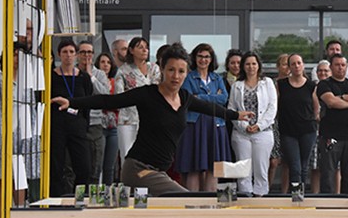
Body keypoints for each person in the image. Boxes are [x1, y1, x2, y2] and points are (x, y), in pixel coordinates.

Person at [52, 43, 252, 195]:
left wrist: (236, 115)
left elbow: (211, 108)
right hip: (139, 169)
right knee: (186, 199)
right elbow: (107, 100)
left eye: (181, 71)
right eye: (171, 70)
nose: (175, 76)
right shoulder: (148, 94)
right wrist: (72, 102)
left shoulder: (185, 98)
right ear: (162, 70)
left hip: (159, 172)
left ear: (186, 73)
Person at [0, 43, 32, 218]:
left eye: (20, 56)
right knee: (0, 175)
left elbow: (31, 109)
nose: (17, 59)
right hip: (4, 132)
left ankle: (19, 211)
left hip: (22, 133)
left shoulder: (27, 82)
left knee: (20, 176)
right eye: (14, 55)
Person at [177, 43, 231, 192]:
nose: (203, 60)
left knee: (214, 169)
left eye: (207, 57)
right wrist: (213, 96)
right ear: (195, 58)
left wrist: (200, 97)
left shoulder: (217, 78)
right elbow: (189, 100)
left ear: (211, 59)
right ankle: (192, 207)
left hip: (216, 125)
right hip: (194, 124)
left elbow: (224, 99)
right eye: (200, 56)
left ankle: (211, 208)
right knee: (194, 168)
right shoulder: (188, 78)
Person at [228, 52, 277, 196]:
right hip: (241, 133)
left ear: (258, 65)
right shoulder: (236, 85)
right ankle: (245, 198)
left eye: (254, 64)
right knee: (243, 170)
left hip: (263, 132)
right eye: (248, 64)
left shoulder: (267, 83)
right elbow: (231, 109)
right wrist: (244, 126)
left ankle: (260, 199)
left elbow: (272, 107)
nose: (251, 67)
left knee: (261, 169)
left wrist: (259, 125)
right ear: (243, 66)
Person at [50, 39, 93, 197]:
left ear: (76, 55)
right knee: (56, 166)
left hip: (77, 125)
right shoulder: (51, 76)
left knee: (84, 166)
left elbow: (88, 101)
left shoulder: (83, 77)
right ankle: (56, 199)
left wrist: (84, 124)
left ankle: (80, 198)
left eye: (71, 52)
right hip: (57, 126)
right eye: (64, 52)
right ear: (59, 55)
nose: (68, 56)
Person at [317, 53, 348, 196]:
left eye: (343, 65)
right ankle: (328, 205)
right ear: (331, 67)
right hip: (330, 135)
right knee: (328, 174)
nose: (340, 68)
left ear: (347, 67)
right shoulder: (324, 84)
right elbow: (331, 102)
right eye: (337, 65)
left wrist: (342, 97)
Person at [115, 37, 159, 169]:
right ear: (131, 50)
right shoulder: (123, 70)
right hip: (127, 120)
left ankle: (145, 188)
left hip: (149, 120)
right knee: (127, 156)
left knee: (148, 157)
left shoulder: (154, 68)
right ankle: (129, 188)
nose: (144, 50)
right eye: (140, 47)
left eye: (146, 47)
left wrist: (135, 93)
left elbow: (158, 92)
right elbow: (119, 96)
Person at [277, 54, 319, 193]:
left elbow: (316, 108)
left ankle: (300, 196)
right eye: (293, 64)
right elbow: (275, 106)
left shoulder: (311, 86)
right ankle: (295, 196)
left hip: (308, 130)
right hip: (288, 131)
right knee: (295, 166)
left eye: (299, 63)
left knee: (304, 166)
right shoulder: (281, 85)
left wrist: (314, 119)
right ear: (289, 67)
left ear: (303, 65)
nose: (296, 66)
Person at [78, 41, 112, 184]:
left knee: (95, 166)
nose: (86, 55)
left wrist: (91, 77)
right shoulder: (73, 72)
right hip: (78, 122)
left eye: (89, 52)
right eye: (83, 52)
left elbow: (104, 94)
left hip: (95, 123)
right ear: (78, 54)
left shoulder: (99, 74)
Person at [95, 53, 119, 185]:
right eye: (102, 62)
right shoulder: (94, 79)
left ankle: (108, 193)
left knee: (110, 166)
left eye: (108, 62)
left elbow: (115, 102)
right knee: (97, 164)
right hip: (99, 125)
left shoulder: (115, 82)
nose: (105, 65)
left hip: (114, 126)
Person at [309, 60, 332, 193]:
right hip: (315, 129)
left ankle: (337, 195)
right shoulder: (312, 87)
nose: (322, 73)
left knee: (335, 167)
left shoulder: (334, 86)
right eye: (320, 71)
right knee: (315, 166)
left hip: (333, 129)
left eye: (326, 71)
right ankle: (314, 196)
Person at [270, 53, 291, 193]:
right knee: (273, 162)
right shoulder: (271, 83)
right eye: (284, 64)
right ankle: (266, 191)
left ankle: (284, 193)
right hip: (274, 124)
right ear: (278, 66)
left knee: (287, 162)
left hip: (290, 123)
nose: (287, 67)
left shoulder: (296, 82)